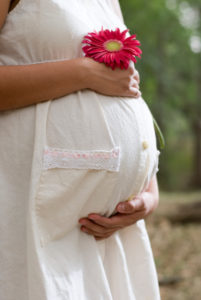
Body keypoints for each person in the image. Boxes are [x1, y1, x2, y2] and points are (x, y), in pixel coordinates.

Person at [0, 0, 161, 299]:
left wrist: (149, 193)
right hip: (32, 217)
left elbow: (127, 85)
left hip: (112, 238)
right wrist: (83, 73)